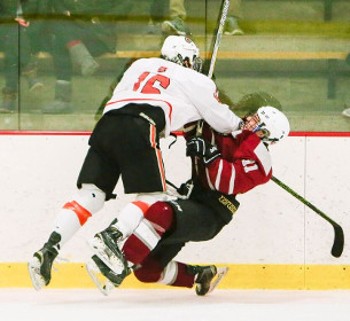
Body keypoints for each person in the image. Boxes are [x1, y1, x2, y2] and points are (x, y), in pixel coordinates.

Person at [28, 35, 243, 290]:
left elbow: (158, 98)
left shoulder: (139, 65)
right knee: (154, 196)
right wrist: (244, 129)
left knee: (91, 195)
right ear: (186, 58)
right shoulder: (197, 80)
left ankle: (48, 249)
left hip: (106, 124)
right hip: (140, 126)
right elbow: (224, 122)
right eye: (192, 59)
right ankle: (112, 236)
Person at [86, 104, 290, 296]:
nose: (248, 120)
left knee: (161, 212)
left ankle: (121, 264)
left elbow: (225, 182)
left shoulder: (260, 161)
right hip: (191, 200)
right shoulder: (231, 135)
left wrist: (209, 153)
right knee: (147, 271)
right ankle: (201, 274)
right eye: (253, 116)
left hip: (211, 214)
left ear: (265, 134)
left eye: (256, 121)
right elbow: (195, 125)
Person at [41, 0, 120, 114]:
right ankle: (84, 59)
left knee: (60, 35)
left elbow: (96, 9)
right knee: (60, 39)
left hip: (99, 37)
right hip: (74, 37)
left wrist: (73, 12)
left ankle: (62, 100)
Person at [0, 0, 43, 113]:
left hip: (31, 34)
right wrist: (13, 21)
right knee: (14, 35)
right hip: (5, 31)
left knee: (12, 52)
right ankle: (29, 71)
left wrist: (29, 27)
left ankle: (8, 98)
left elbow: (43, 16)